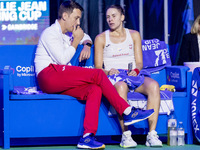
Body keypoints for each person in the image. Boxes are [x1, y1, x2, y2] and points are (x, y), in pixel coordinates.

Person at [34, 1, 154, 149]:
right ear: (65, 16)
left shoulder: (66, 34)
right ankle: (127, 110)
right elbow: (62, 60)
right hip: (48, 75)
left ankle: (87, 136)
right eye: (76, 18)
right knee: (97, 74)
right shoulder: (50, 33)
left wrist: (87, 44)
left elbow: (86, 36)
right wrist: (76, 40)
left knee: (94, 90)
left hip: (58, 78)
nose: (78, 22)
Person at [94, 5, 162, 148]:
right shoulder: (101, 38)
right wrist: (108, 72)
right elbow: (98, 68)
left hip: (132, 75)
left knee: (154, 86)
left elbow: (139, 63)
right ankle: (126, 136)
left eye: (113, 16)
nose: (110, 19)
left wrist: (136, 71)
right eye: (108, 17)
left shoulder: (134, 34)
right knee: (121, 86)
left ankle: (152, 134)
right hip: (115, 77)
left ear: (122, 17)